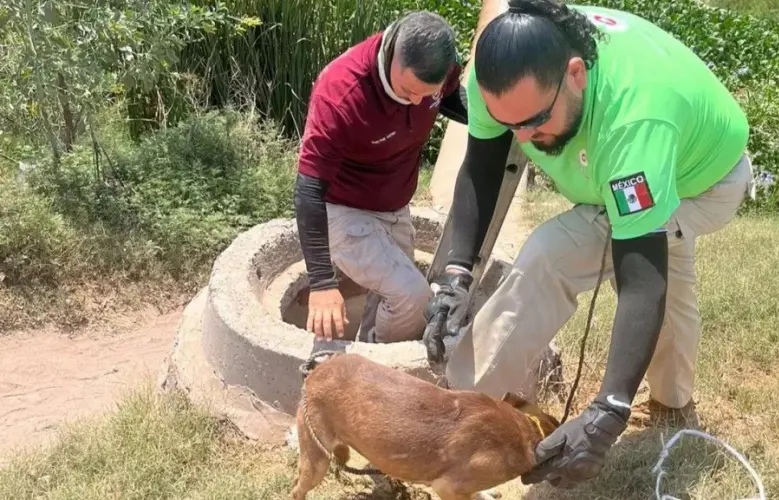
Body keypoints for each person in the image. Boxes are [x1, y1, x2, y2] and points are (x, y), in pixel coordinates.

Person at [422, 0, 754, 489]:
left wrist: (607, 412)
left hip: (704, 183)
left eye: (535, 121)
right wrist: (456, 274)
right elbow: (482, 166)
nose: (526, 138)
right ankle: (672, 405)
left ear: (575, 74)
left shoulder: (633, 123)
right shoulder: (506, 71)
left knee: (553, 253)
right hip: (668, 154)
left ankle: (457, 414)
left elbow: (641, 279)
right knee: (671, 262)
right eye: (511, 124)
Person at [295, 11, 468, 344]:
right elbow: (308, 191)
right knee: (413, 297)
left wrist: (495, 119)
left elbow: (447, 97)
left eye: (425, 94)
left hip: (395, 209)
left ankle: (368, 349)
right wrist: (321, 282)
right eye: (407, 90)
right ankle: (379, 375)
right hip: (344, 210)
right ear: (392, 54)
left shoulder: (440, 67)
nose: (416, 102)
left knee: (392, 298)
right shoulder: (342, 94)